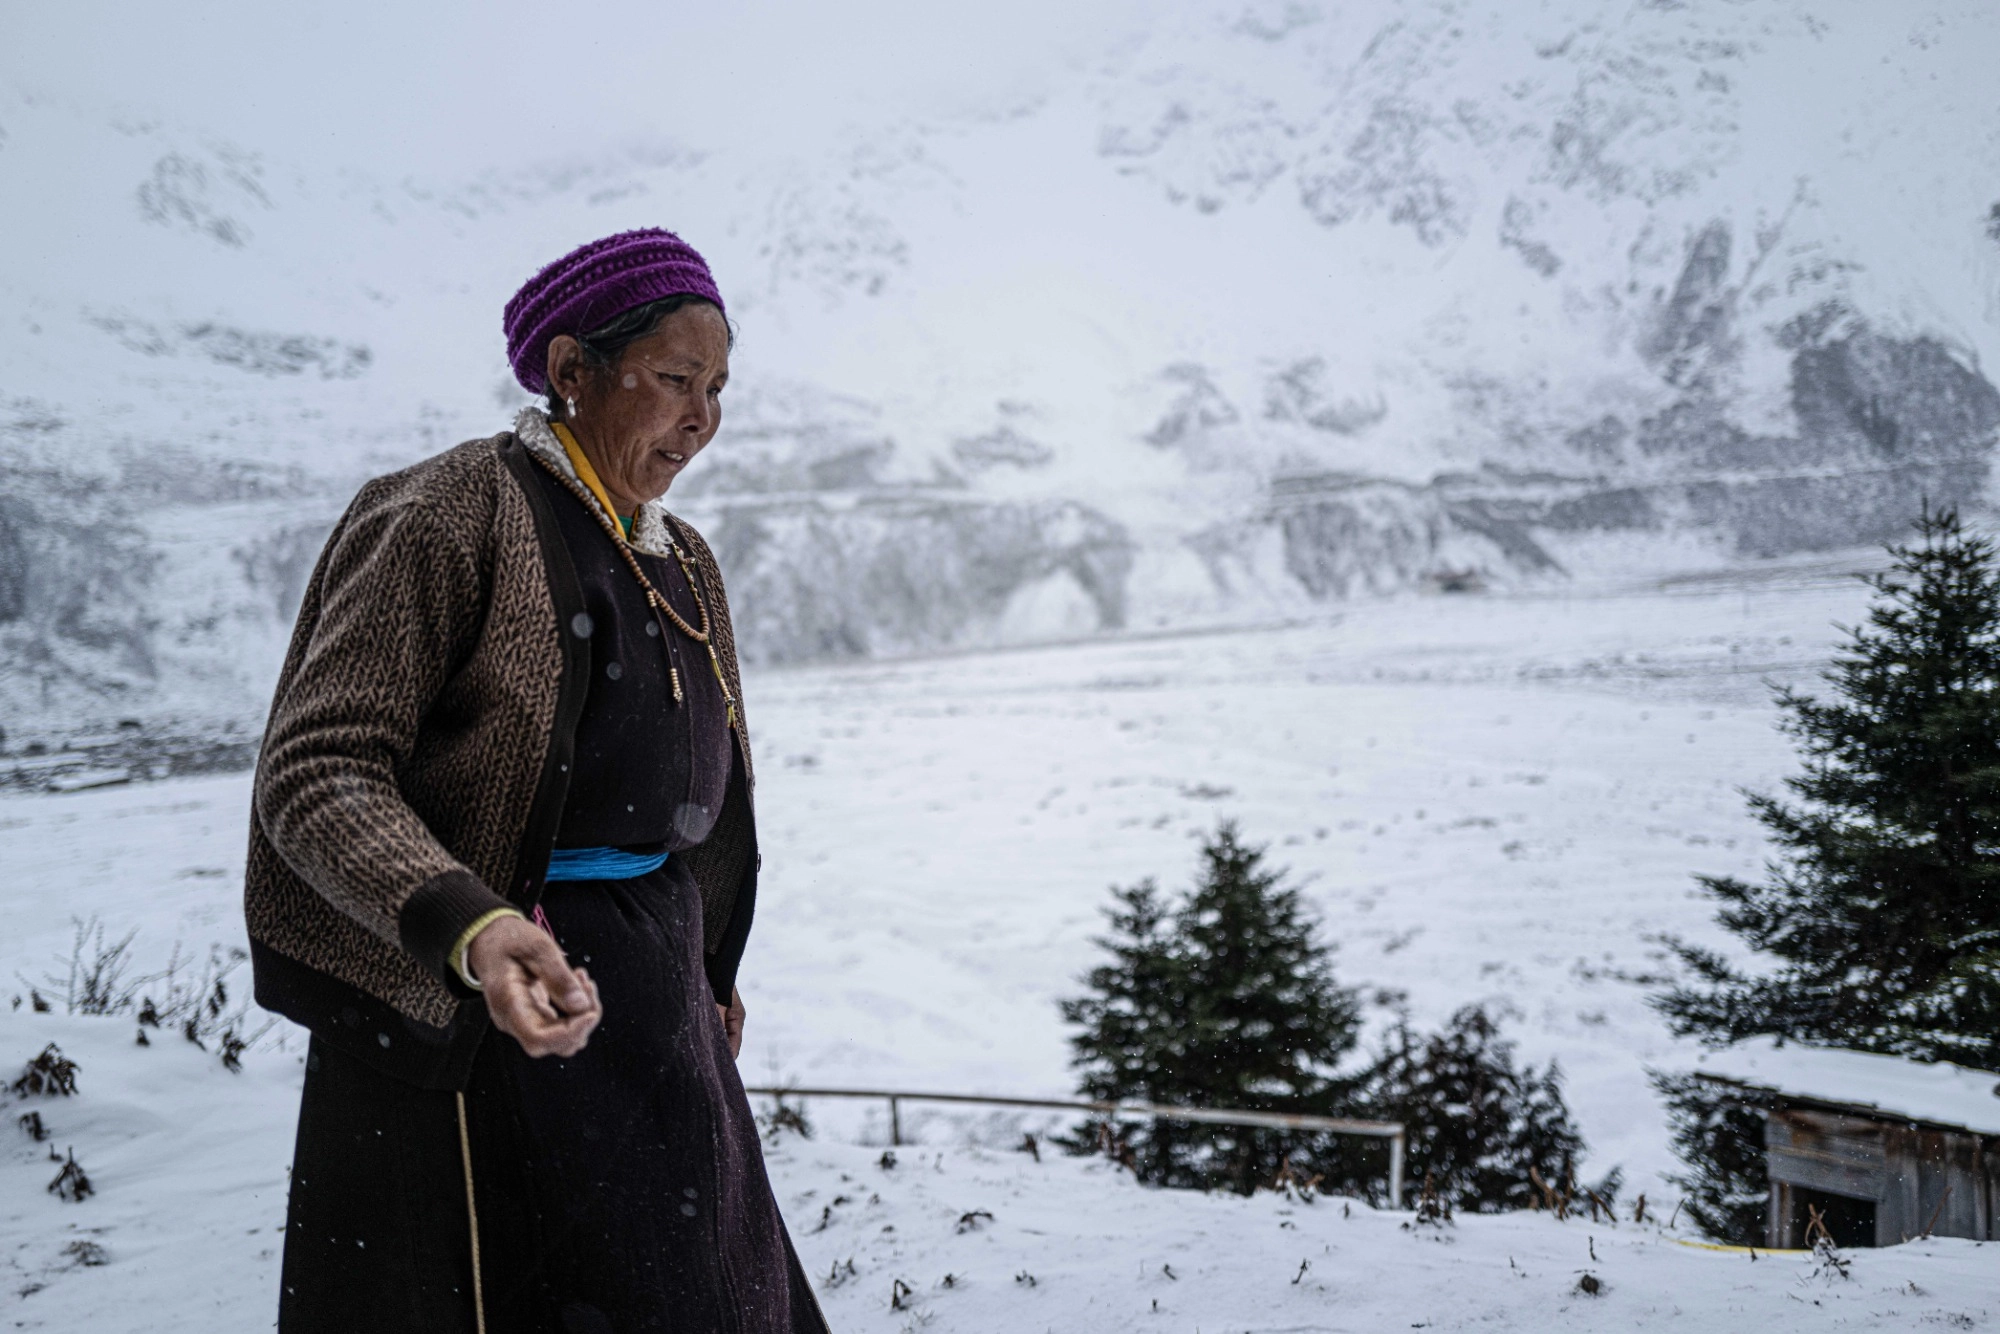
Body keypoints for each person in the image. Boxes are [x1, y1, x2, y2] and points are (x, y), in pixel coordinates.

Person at [245, 229, 830, 1332]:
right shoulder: (445, 512)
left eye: (717, 389)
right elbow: (319, 768)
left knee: (708, 1288)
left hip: (653, 991)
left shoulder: (681, 554)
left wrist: (707, 966)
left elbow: (691, 788)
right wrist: (474, 926)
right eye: (675, 379)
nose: (702, 417)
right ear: (571, 371)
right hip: (486, 999)